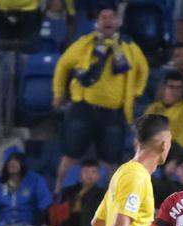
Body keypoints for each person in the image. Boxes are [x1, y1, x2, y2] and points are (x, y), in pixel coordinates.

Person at [52, 6, 149, 194]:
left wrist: (136, 93)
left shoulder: (129, 48)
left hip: (113, 113)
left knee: (110, 159)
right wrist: (58, 94)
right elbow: (63, 65)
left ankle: (111, 197)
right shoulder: (85, 43)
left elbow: (143, 70)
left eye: (112, 17)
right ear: (97, 23)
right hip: (83, 108)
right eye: (103, 17)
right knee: (70, 154)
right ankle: (57, 191)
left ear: (118, 22)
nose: (108, 20)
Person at [53, 160, 106, 226]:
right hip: (68, 221)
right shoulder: (68, 191)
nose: (89, 175)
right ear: (80, 174)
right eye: (86, 171)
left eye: (93, 172)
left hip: (86, 222)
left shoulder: (102, 194)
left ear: (98, 176)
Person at [146, 71, 183, 150]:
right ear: (164, 88)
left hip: (175, 152)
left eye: (178, 88)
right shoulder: (153, 108)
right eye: (171, 87)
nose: (175, 91)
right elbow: (144, 131)